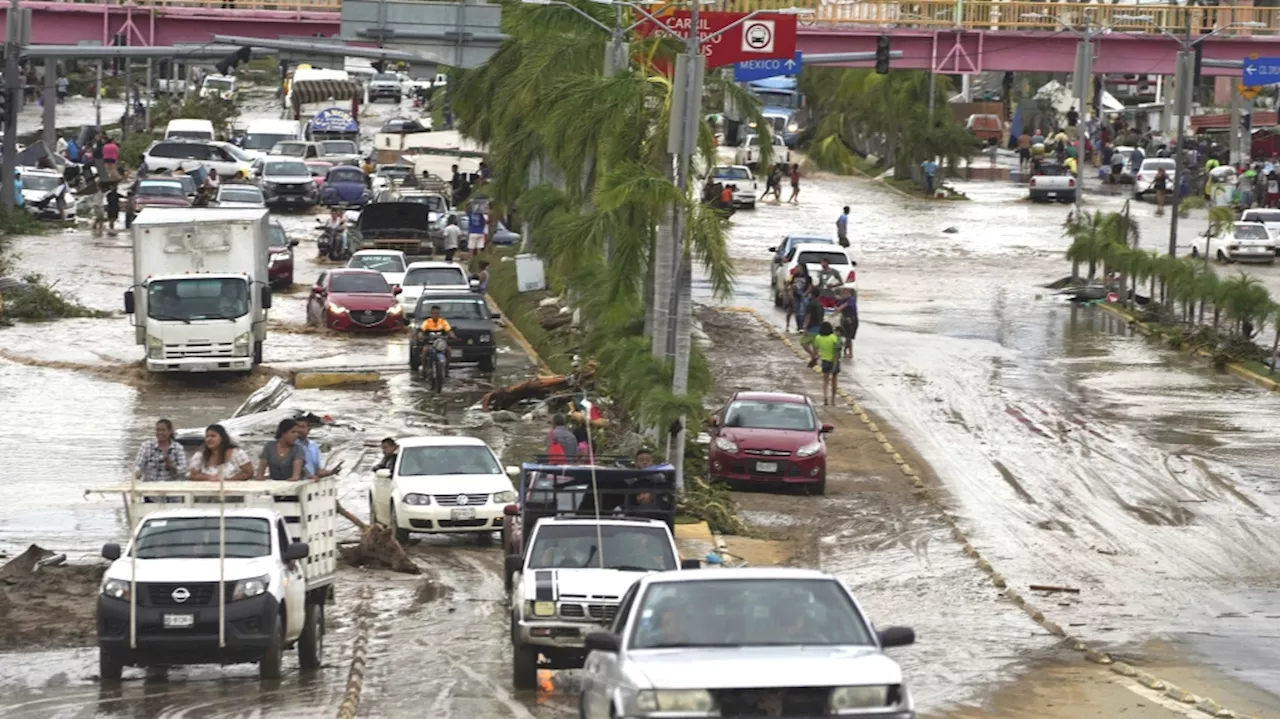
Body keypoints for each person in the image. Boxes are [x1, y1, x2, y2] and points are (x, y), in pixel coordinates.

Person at [189, 424, 254, 482]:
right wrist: (210, 478)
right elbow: (194, 475)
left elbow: (248, 473)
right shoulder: (199, 456)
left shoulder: (237, 453)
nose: (209, 439)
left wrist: (228, 481)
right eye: (207, 436)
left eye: (213, 436)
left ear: (222, 438)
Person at [134, 418, 189, 482]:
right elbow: (138, 466)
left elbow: (184, 471)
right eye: (157, 430)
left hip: (171, 486)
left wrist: (172, 466)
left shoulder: (178, 448)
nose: (160, 433)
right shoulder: (146, 446)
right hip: (149, 485)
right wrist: (137, 473)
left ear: (170, 431)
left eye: (163, 430)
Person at [418, 304, 458, 375]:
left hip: (441, 345)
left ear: (439, 314)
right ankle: (424, 369)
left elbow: (449, 331)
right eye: (434, 313)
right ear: (431, 314)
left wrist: (452, 336)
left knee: (448, 351)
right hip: (430, 344)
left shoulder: (443, 322)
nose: (435, 315)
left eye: (437, 313)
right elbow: (421, 331)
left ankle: (446, 368)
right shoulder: (427, 322)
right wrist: (420, 336)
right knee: (424, 351)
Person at [812, 321, 842, 405]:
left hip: (825, 361)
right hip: (834, 361)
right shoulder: (834, 338)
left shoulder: (818, 338)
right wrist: (835, 364)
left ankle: (825, 397)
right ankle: (833, 400)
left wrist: (816, 357)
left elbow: (816, 349)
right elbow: (837, 352)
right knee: (834, 381)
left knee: (825, 381)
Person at [800, 285, 824, 367]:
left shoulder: (810, 304)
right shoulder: (821, 305)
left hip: (811, 328)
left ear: (812, 294)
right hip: (819, 327)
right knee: (815, 346)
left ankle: (813, 356)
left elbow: (808, 316)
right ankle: (814, 361)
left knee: (803, 342)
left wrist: (805, 327)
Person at [834, 285, 858, 359]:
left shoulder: (851, 299)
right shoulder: (842, 300)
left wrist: (837, 306)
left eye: (844, 293)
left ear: (848, 293)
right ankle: (846, 352)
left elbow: (840, 308)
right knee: (845, 337)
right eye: (842, 294)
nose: (842, 295)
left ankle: (848, 352)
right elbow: (835, 306)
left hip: (852, 320)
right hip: (844, 320)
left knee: (849, 338)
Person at [787, 262, 811, 332]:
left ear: (802, 268)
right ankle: (799, 326)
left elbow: (810, 286)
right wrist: (790, 293)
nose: (796, 268)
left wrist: (806, 293)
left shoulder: (807, 277)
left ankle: (802, 326)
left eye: (798, 267)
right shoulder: (795, 276)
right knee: (797, 311)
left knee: (803, 311)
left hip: (804, 295)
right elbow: (791, 285)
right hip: (796, 295)